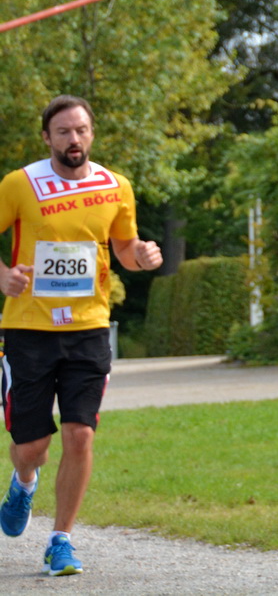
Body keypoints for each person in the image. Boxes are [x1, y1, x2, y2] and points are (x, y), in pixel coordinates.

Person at [0, 95, 163, 576]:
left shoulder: (115, 186)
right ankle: (23, 482)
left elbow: (125, 246)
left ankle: (61, 540)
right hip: (28, 330)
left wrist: (143, 257)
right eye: (65, 132)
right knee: (33, 446)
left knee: (79, 434)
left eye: (82, 130)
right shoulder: (20, 185)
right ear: (47, 137)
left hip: (89, 328)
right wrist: (3, 276)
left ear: (92, 133)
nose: (75, 140)